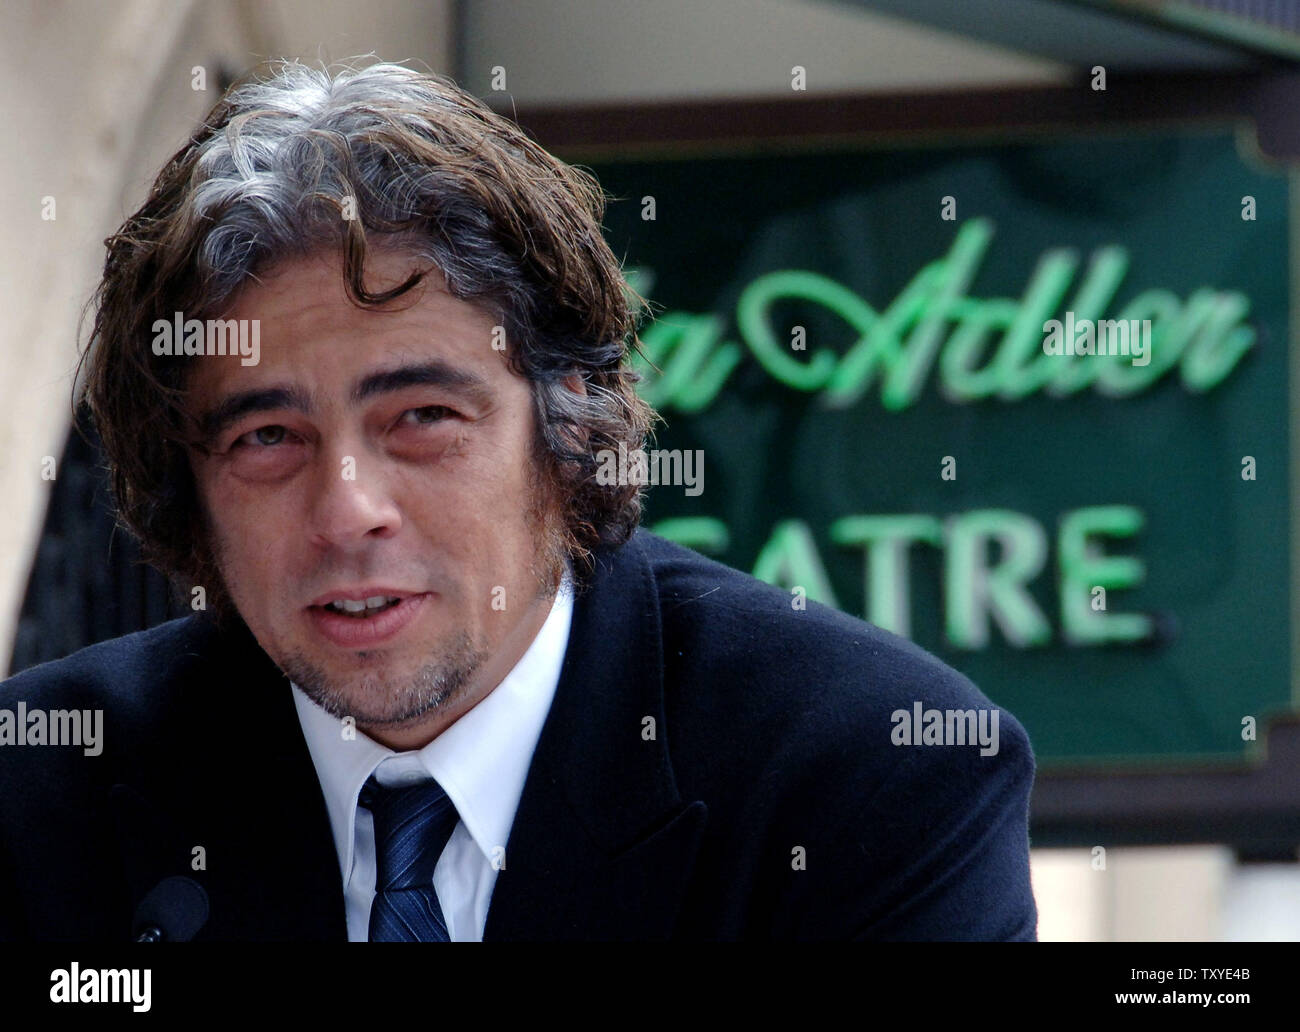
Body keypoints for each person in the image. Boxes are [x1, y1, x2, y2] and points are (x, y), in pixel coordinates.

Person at [0, 61, 1037, 941]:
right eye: (267, 438)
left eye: (422, 417)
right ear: (191, 494)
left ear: (567, 426)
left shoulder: (871, 777)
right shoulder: (38, 795)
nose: (347, 510)